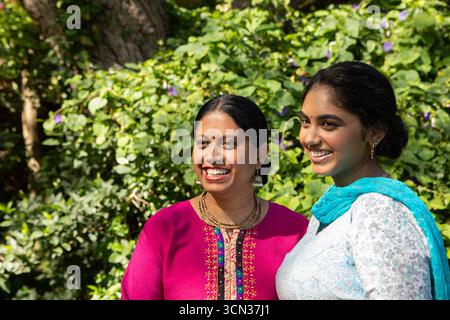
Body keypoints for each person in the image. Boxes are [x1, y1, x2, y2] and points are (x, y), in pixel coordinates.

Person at [276, 61, 450, 300]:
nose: (309, 138)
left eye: (328, 124)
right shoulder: (331, 210)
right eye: (306, 121)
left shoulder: (380, 211)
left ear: (374, 131)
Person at [121, 94, 309, 300]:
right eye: (202, 144)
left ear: (260, 155)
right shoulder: (165, 229)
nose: (211, 156)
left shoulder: (296, 233)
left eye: (228, 144)